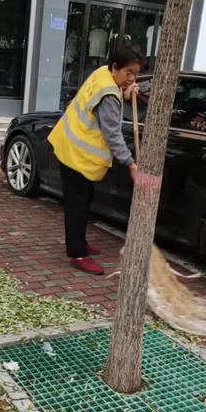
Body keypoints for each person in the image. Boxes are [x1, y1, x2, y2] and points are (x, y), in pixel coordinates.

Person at [48, 45, 143, 275]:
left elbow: (107, 95)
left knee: (85, 198)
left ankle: (79, 241)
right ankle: (78, 254)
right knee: (76, 206)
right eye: (128, 73)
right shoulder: (109, 93)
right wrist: (130, 163)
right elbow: (112, 134)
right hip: (76, 154)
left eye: (136, 74)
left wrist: (126, 93)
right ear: (115, 68)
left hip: (71, 143)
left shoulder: (102, 73)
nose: (131, 78)